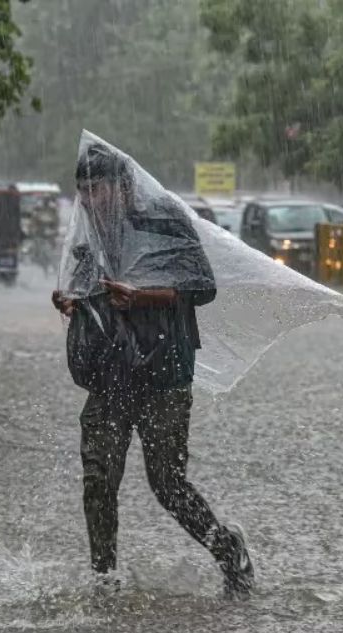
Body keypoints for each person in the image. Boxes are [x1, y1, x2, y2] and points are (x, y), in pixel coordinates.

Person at [51, 143, 254, 597]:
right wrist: (70, 301)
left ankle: (228, 550)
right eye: (82, 191)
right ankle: (104, 580)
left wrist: (141, 296)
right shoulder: (91, 233)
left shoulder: (165, 220)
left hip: (164, 371)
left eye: (97, 189)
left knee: (167, 483)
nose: (89, 199)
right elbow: (86, 288)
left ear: (123, 186)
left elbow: (202, 288)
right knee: (98, 479)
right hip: (111, 372)